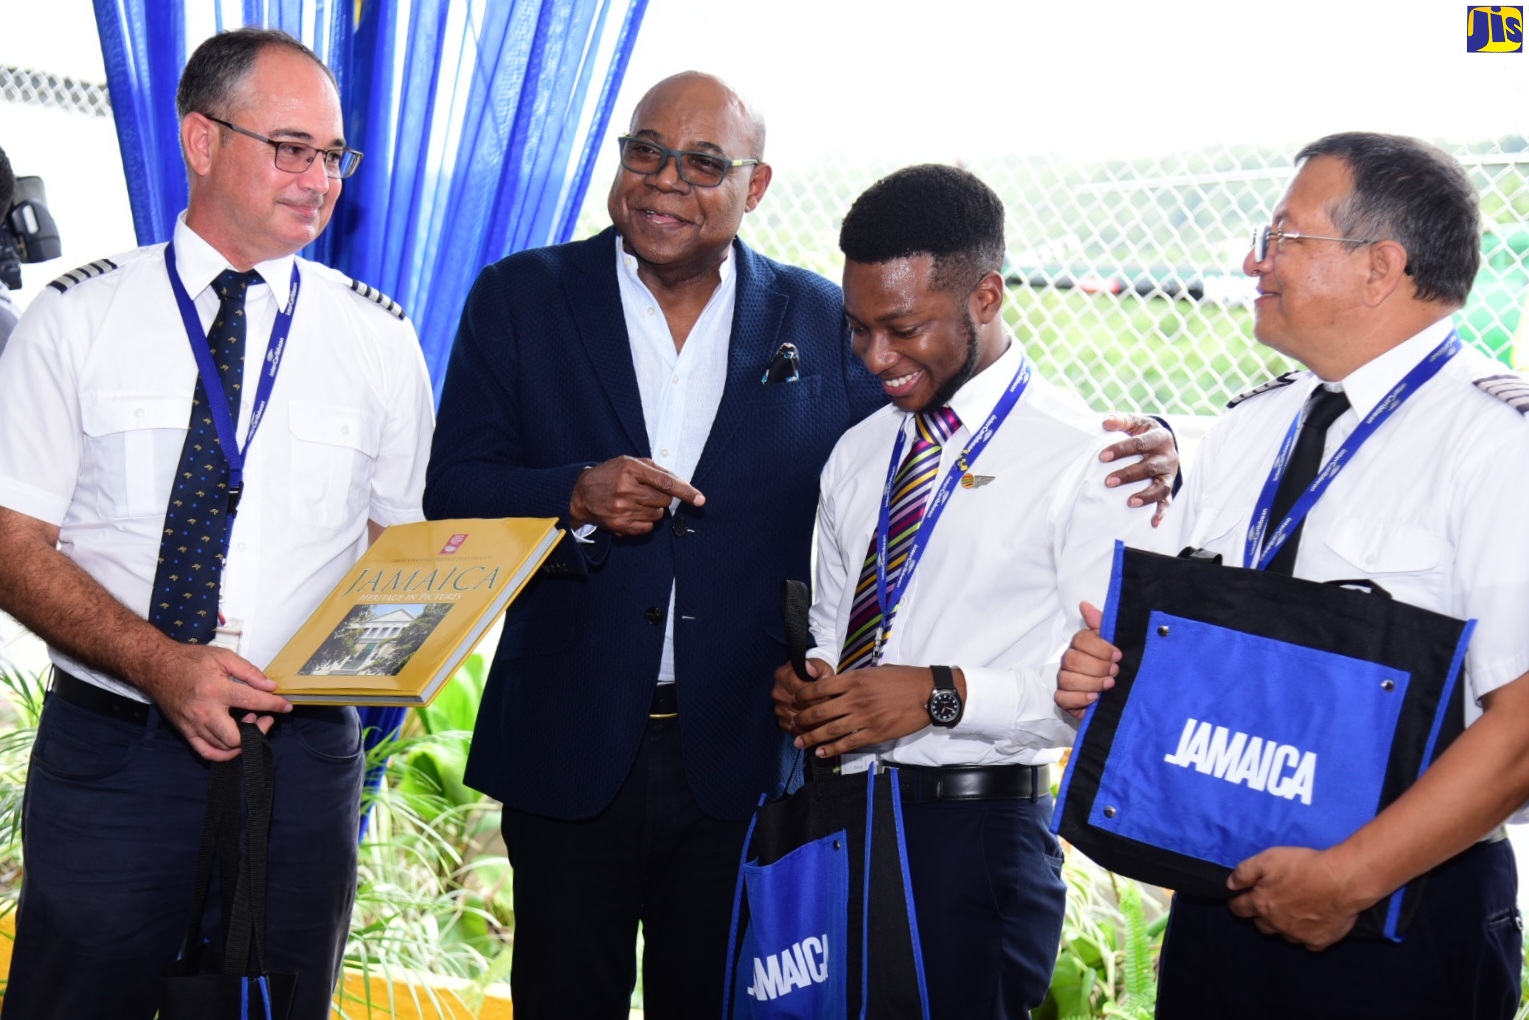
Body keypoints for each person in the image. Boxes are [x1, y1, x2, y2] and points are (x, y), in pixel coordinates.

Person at [424, 72, 1175, 1019]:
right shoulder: (521, 296)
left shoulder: (821, 318)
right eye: (644, 151)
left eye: (703, 162)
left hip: (751, 769)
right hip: (567, 749)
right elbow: (449, 494)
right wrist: (570, 495)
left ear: (757, 184)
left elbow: (956, 421)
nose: (664, 180)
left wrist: (1176, 445)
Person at [0, 28, 433, 1020]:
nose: (318, 178)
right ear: (201, 141)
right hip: (118, 755)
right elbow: (11, 542)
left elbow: (402, 554)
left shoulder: (379, 337)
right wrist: (162, 664)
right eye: (291, 148)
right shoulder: (75, 320)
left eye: (333, 155)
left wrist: (407, 646)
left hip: (300, 762)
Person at [1056, 132, 1529, 1019]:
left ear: (1378, 267)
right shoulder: (1244, 434)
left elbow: (1522, 726)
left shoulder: (1500, 447)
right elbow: (1198, 659)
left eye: (1282, 238)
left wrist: (1349, 880)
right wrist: (1108, 672)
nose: (1252, 261)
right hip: (1219, 901)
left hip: (1399, 911)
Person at [770, 164, 1164, 1019]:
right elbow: (834, 633)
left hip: (973, 843)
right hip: (833, 822)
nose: (877, 358)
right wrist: (810, 684)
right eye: (859, 329)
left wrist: (941, 696)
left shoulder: (1089, 460)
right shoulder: (857, 453)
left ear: (985, 296)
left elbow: (1108, 697)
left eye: (904, 328)